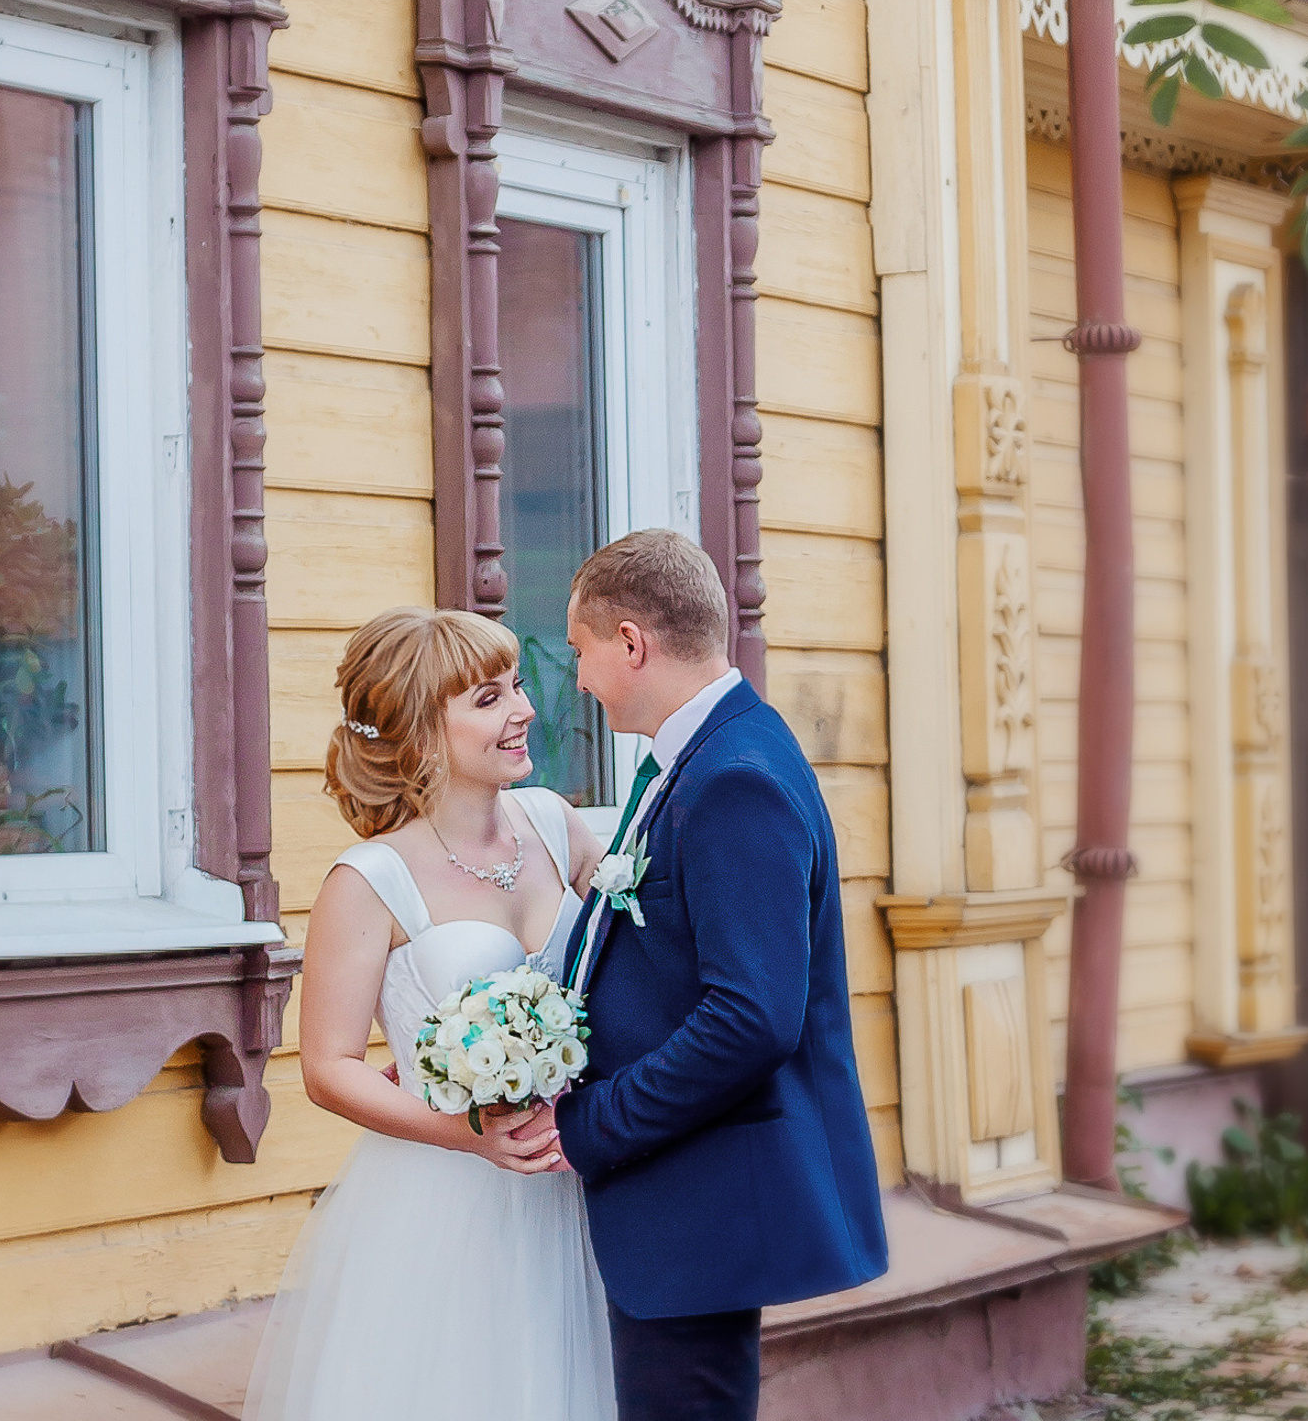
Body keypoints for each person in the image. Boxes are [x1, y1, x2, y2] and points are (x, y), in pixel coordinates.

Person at [244, 606, 617, 1421]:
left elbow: (632, 966)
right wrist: (467, 1133)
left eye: (515, 686)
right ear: (419, 731)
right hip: (444, 1199)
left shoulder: (557, 824)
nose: (523, 709)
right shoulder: (368, 880)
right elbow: (328, 1067)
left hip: (572, 1184)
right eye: (488, 698)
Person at [556, 528, 888, 1421]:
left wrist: (591, 1124)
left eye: (582, 653)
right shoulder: (700, 758)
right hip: (679, 1196)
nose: (579, 680)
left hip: (697, 1201)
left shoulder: (735, 777)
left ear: (631, 643)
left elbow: (751, 1017)